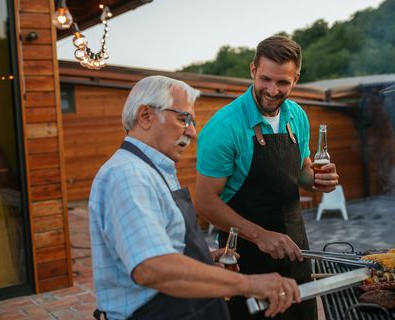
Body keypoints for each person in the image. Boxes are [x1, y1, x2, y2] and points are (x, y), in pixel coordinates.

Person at [89, 75, 300, 320]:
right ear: (145, 116)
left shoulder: (153, 170)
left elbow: (157, 245)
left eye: (192, 122)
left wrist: (202, 258)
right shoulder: (129, 175)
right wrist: (247, 284)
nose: (192, 132)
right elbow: (152, 268)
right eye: (183, 119)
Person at [195, 36, 340, 319]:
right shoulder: (224, 127)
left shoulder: (296, 115)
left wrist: (317, 179)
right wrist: (259, 236)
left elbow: (302, 170)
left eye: (283, 83)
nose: (273, 91)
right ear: (252, 71)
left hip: (296, 248)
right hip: (245, 257)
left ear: (296, 78)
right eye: (266, 79)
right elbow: (204, 202)